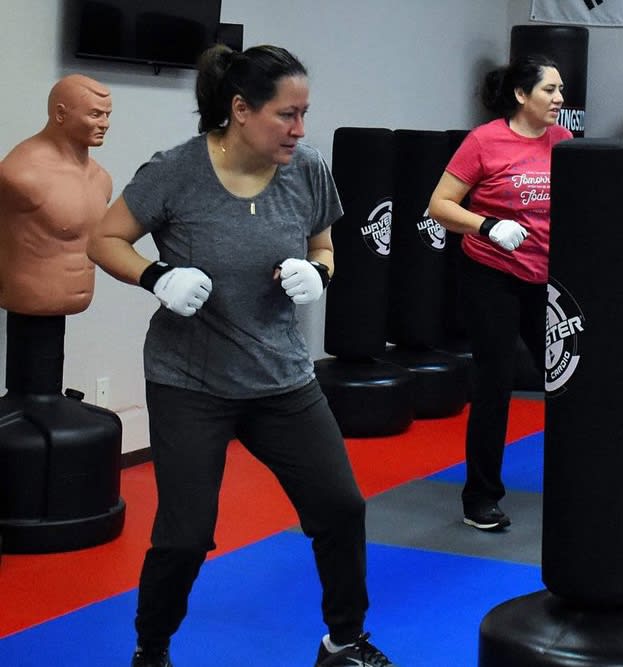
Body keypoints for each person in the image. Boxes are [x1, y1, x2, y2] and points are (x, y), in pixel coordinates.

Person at [87, 45, 394, 667]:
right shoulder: (175, 171)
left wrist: (321, 273)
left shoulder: (306, 167)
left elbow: (325, 244)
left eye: (305, 114)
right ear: (240, 110)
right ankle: (152, 649)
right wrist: (155, 277)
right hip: (190, 382)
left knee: (341, 507)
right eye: (287, 114)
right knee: (186, 535)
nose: (300, 129)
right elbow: (104, 238)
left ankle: (344, 642)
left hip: (281, 377)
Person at [428, 56, 571, 531]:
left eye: (560, 90)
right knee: (496, 381)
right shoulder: (484, 141)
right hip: (491, 275)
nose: (559, 99)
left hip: (545, 278)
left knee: (571, 377)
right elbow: (440, 207)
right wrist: (488, 225)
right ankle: (480, 498)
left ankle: (583, 482)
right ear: (520, 95)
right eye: (549, 90)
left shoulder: (563, 142)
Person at [0, 74, 112, 316]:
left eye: (107, 115)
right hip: (28, 300)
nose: (104, 124)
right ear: (61, 114)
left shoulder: (101, 179)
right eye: (95, 114)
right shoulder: (21, 174)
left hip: (68, 304)